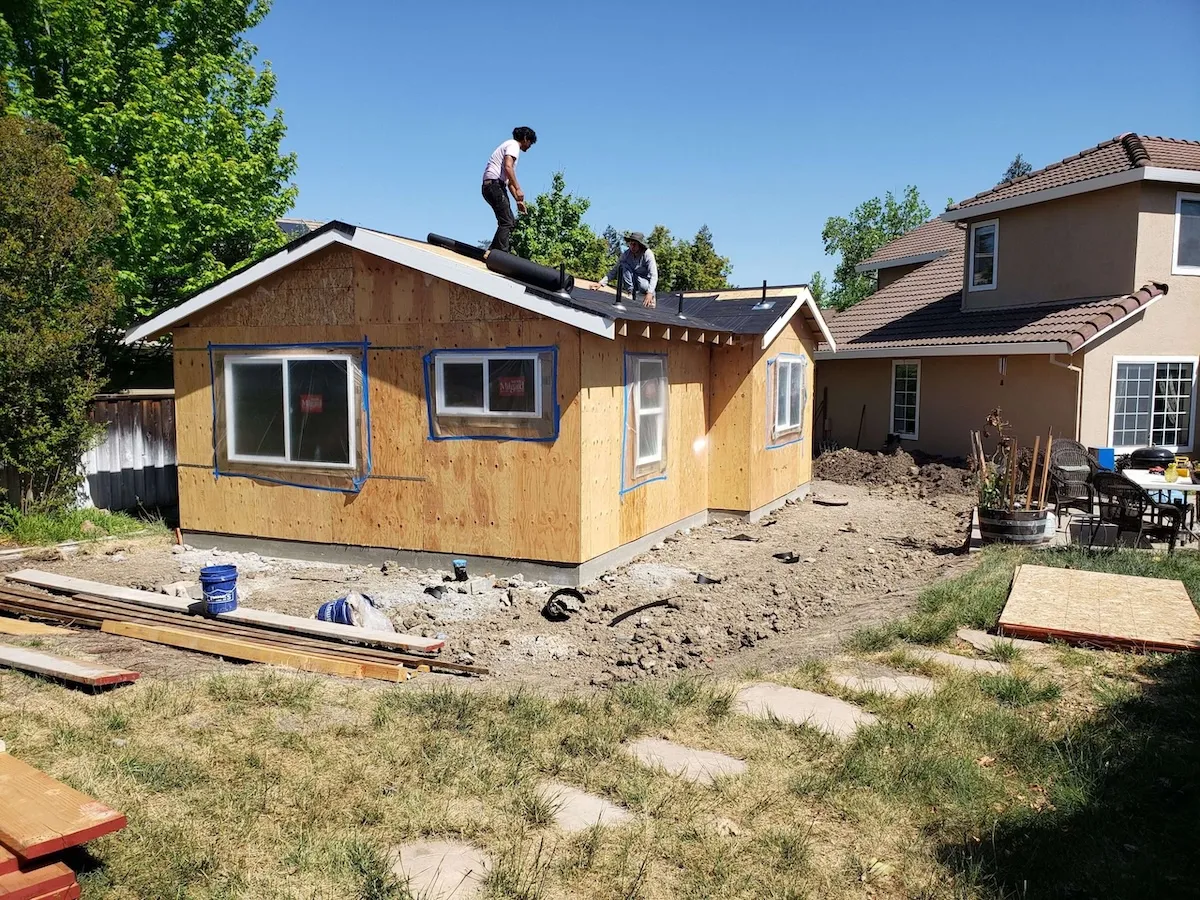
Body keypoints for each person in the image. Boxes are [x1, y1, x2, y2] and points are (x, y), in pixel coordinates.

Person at [481, 126, 537, 253]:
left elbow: (509, 181)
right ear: (525, 139)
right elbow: (508, 167)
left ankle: (492, 252)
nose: (529, 146)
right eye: (530, 142)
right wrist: (519, 188)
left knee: (509, 221)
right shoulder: (513, 145)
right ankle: (500, 253)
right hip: (494, 185)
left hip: (493, 185)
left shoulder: (509, 147)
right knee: (507, 221)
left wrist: (518, 200)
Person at [598, 232, 658, 307]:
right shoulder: (626, 254)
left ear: (640, 245)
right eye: (631, 244)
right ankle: (630, 292)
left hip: (644, 283)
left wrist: (650, 292)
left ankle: (651, 298)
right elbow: (615, 270)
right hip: (633, 281)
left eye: (634, 244)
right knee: (622, 266)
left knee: (643, 285)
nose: (632, 246)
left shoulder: (647, 254)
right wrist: (601, 283)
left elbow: (654, 275)